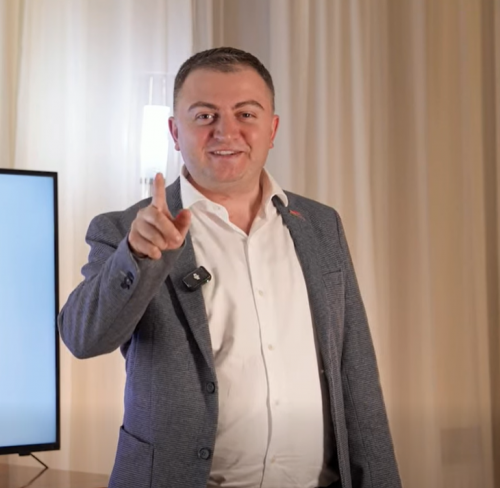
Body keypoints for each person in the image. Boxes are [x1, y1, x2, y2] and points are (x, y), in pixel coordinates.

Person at [58, 47, 401, 488]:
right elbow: (83, 338)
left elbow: (356, 373)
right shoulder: (127, 231)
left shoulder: (320, 225)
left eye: (246, 114)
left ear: (271, 129)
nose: (226, 131)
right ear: (175, 131)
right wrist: (137, 256)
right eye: (205, 116)